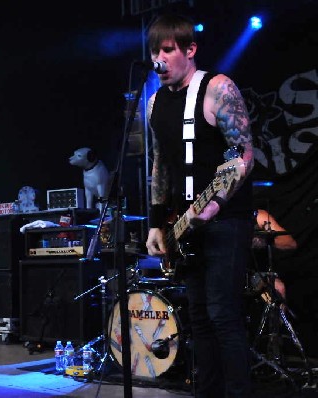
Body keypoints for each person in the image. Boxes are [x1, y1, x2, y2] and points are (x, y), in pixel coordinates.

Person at [144, 14, 255, 397]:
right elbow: (161, 165)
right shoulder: (155, 102)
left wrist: (215, 204)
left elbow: (242, 155)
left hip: (225, 220)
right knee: (199, 319)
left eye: (167, 49)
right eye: (154, 50)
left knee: (224, 316)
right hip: (183, 225)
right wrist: (157, 224)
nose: (158, 57)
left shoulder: (217, 88)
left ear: (190, 50)